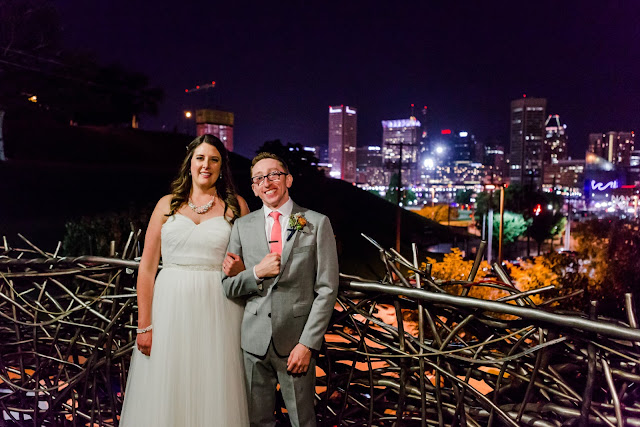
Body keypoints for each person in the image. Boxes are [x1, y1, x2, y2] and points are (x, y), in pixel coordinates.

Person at [120, 134, 250, 426]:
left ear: (222, 166)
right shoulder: (166, 205)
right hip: (169, 313)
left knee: (214, 388)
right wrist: (145, 325)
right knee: (168, 387)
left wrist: (240, 267)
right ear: (189, 163)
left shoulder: (236, 207)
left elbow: (250, 267)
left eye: (214, 159)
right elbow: (147, 269)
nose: (206, 165)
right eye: (200, 158)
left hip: (220, 313)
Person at [221, 152, 339, 427]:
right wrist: (255, 273)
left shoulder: (315, 222)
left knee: (303, 421)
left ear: (288, 179)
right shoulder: (241, 226)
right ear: (253, 187)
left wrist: (307, 344)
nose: (267, 182)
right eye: (259, 178)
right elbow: (228, 286)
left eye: (274, 174)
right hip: (253, 343)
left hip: (296, 342)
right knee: (257, 421)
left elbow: (326, 289)